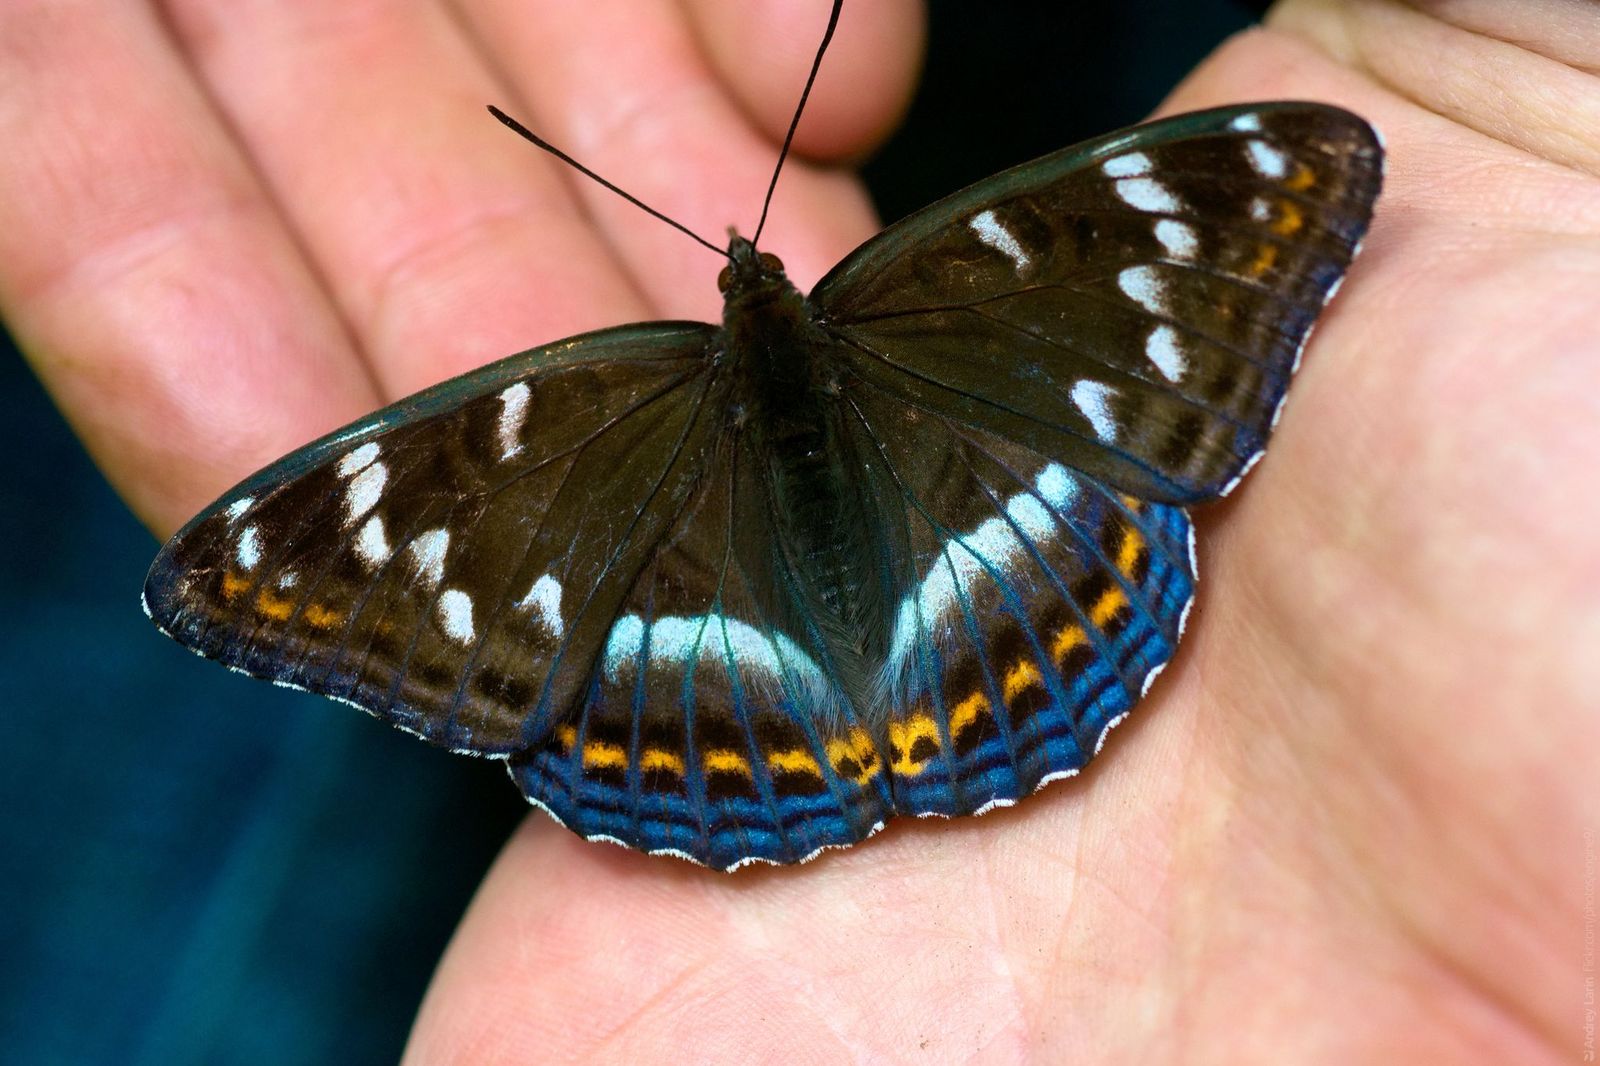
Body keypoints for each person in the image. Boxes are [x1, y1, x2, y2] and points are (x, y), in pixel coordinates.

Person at [1, 1, 1585, 1060]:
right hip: (994, 520)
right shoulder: (971, 269)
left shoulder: (541, 426)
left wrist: (1503, 91)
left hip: (820, 567)